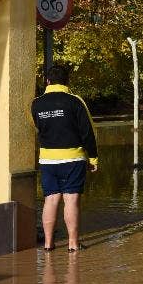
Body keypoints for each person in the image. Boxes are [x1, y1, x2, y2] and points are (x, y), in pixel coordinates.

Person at [31, 64, 98, 252]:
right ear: (67, 81)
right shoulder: (75, 101)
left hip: (47, 160)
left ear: (47, 81)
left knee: (51, 200)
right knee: (71, 199)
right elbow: (88, 131)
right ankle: (73, 244)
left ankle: (48, 244)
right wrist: (93, 158)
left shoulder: (36, 103)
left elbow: (37, 128)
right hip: (72, 158)